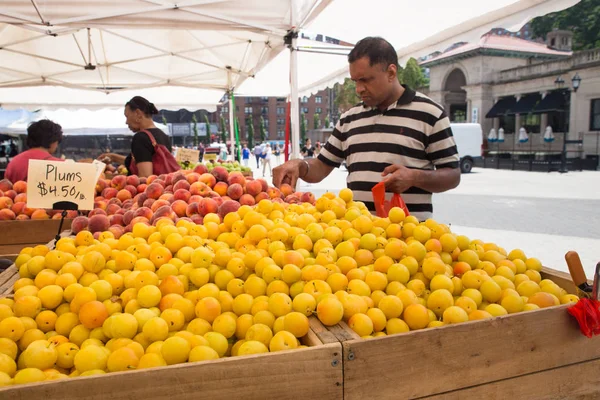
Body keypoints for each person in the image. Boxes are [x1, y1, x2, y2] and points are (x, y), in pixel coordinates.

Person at [273, 37, 460, 221]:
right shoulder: (349, 118)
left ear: (391, 73)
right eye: (355, 81)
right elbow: (321, 166)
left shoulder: (430, 113)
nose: (359, 89)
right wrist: (300, 165)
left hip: (412, 240)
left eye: (365, 80)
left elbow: (452, 175)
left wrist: (415, 177)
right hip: (359, 238)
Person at [99, 96, 173, 177]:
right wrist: (113, 157)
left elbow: (145, 177)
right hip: (163, 187)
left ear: (138, 114)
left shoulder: (141, 138)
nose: (126, 122)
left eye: (127, 116)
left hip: (149, 188)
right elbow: (143, 160)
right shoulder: (163, 136)